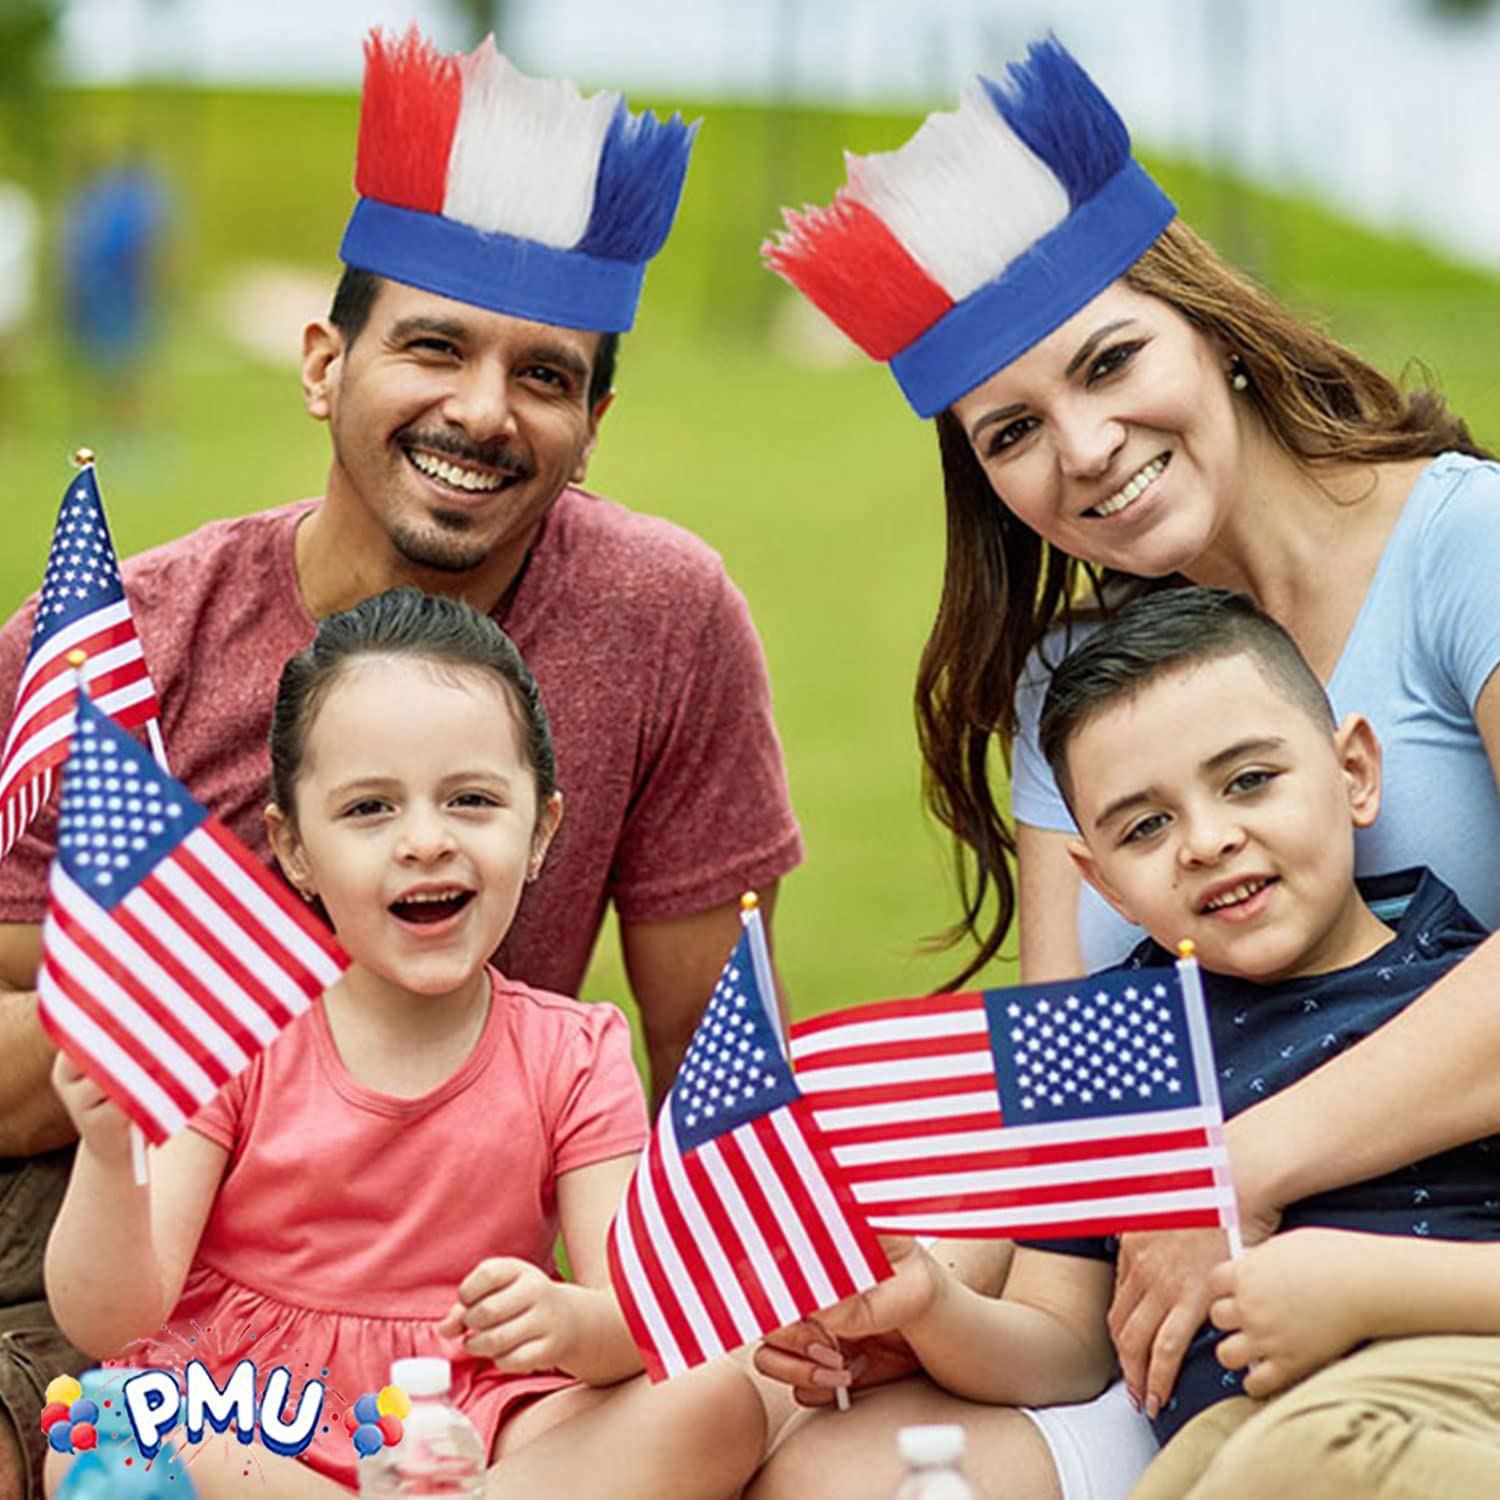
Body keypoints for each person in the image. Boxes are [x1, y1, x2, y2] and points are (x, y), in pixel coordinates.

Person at [0, 29, 801, 1498]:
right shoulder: (134, 636)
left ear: (592, 423)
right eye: (433, 345)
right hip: (118, 1238)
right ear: (325, 361)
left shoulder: (664, 617)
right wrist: (209, 989)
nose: (484, 411)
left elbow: (716, 1072)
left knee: (730, 1394)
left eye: (543, 375)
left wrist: (646, 1317)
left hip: (466, 1350)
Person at [762, 31, 1500, 1494]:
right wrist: (932, 1309)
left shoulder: (1462, 546)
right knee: (822, 1463)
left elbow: (1173, 1183)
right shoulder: (1069, 700)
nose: (1088, 449)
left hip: (1442, 1283)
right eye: (1015, 430)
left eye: (1111, 362)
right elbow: (1073, 1201)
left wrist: (1234, 1167)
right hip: (1194, 1347)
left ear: (1210, 327)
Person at [753, 586, 1500, 1500]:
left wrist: (1364, 1287)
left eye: (1250, 780)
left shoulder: (1463, 1002)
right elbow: (1063, 1345)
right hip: (1233, 1436)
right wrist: (932, 1305)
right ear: (1100, 884)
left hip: (1460, 1386)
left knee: (1298, 1461)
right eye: (1147, 826)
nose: (1209, 841)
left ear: (1354, 773)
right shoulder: (1114, 1044)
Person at [42, 587, 766, 1500]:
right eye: (369, 809)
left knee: (714, 1401)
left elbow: (638, 1312)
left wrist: (569, 1322)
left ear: (539, 827)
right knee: (102, 1428)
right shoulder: (242, 1027)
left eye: (470, 799)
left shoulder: (575, 1053)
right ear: (294, 847)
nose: (425, 841)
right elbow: (113, 1318)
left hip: (479, 1417)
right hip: (256, 1414)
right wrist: (111, 1155)